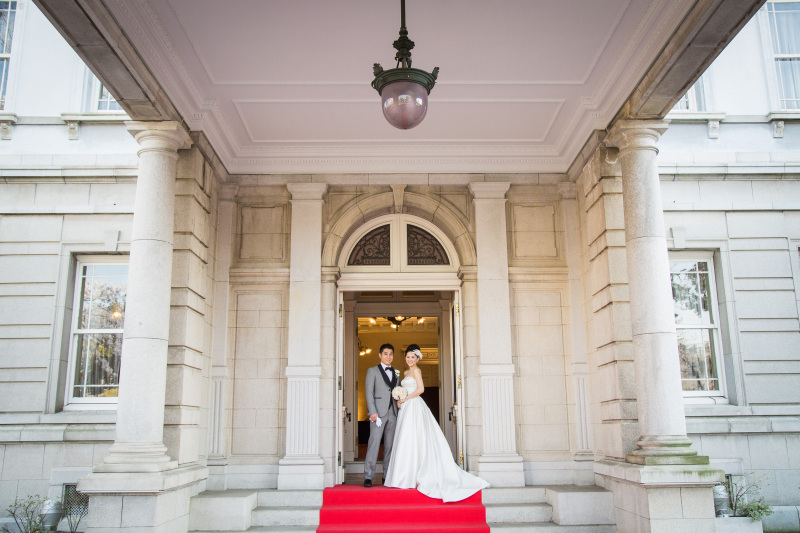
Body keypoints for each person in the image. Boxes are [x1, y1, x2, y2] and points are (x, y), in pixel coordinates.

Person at [384, 344, 490, 502]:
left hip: (415, 406)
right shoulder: (405, 372)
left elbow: (420, 389)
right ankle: (404, 476)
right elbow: (405, 389)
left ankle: (417, 474)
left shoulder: (417, 371)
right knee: (406, 439)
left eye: (413, 357)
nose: (410, 359)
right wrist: (400, 399)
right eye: (408, 357)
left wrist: (405, 398)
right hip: (406, 407)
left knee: (416, 437)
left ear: (417, 358)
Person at [363, 343, 398, 487]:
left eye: (390, 354)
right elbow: (369, 392)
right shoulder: (372, 371)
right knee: (374, 444)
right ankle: (368, 476)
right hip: (377, 414)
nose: (388, 356)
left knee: (390, 446)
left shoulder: (396, 372)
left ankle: (387, 475)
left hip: (393, 413)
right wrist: (372, 411)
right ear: (380, 355)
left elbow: (397, 391)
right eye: (385, 354)